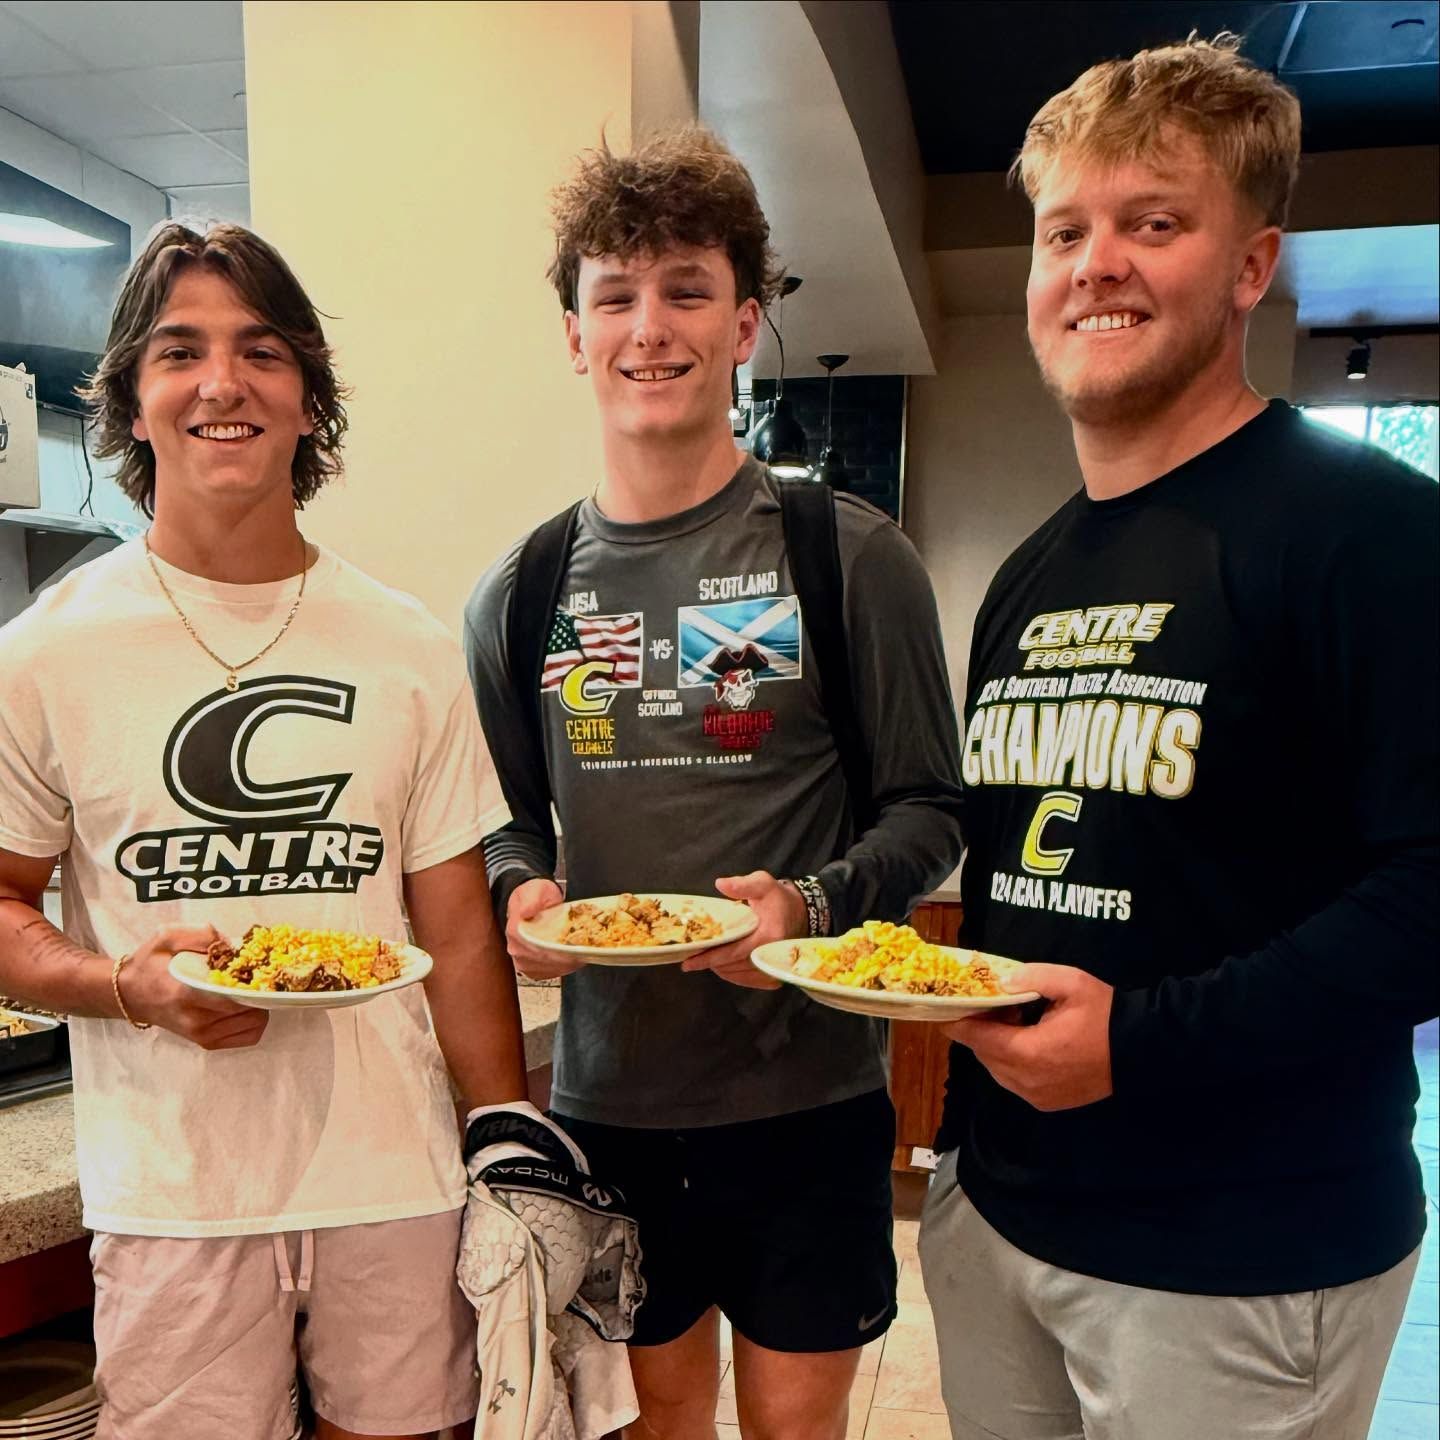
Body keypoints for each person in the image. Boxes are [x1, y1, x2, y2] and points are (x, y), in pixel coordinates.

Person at [920, 34, 1439, 1440]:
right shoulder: (1027, 575)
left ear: (1253, 265)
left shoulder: (1374, 532)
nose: (1098, 264)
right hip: (1001, 1219)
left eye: (1154, 224)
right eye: (1066, 231)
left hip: (1239, 1256)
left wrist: (1140, 1045)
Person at [464, 129, 964, 1440]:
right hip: (608, 1107)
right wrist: (520, 893)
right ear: (574, 335)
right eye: (613, 296)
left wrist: (808, 905)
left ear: (744, 323)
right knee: (659, 1430)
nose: (649, 327)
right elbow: (509, 822)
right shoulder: (518, 597)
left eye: (687, 290)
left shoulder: (849, 557)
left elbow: (932, 814)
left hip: (809, 1101)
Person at [0, 222, 532, 1440]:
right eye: (181, 351)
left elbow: (453, 928)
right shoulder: (44, 655)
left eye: (263, 351)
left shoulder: (404, 646)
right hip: (173, 1192)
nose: (223, 382)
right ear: (134, 402)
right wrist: (124, 984)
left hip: (393, 1175)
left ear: (308, 402)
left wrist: (506, 1152)